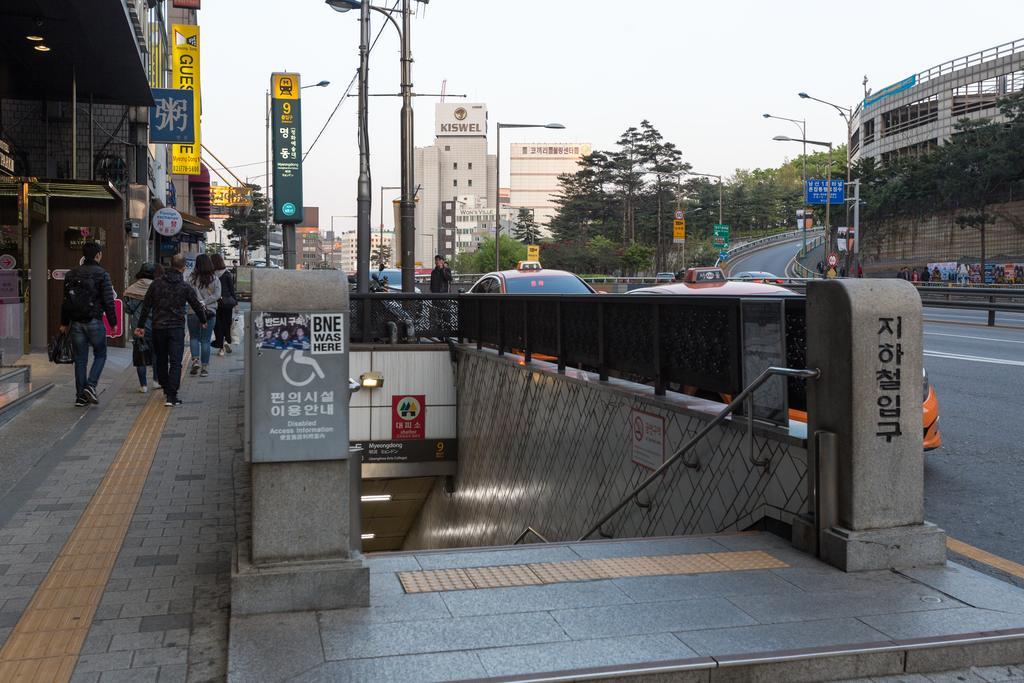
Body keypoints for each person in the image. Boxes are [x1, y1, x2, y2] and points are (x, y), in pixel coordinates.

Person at [135, 254, 208, 407]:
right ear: (183, 268)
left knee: (160, 359)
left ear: (170, 264)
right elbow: (195, 304)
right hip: (176, 328)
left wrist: (140, 326)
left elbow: (146, 306)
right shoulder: (184, 286)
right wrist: (203, 320)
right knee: (175, 362)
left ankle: (166, 388)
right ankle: (171, 395)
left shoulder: (156, 284)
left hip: (158, 327)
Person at [59, 242, 117, 407]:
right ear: (98, 255)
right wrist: (113, 322)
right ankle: (91, 386)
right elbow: (108, 300)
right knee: (100, 354)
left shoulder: (71, 274)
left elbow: (66, 300)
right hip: (94, 321)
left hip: (76, 322)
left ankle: (80, 397)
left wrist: (64, 322)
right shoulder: (102, 274)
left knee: (80, 359)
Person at [123, 263, 162, 393]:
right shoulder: (157, 287)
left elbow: (128, 309)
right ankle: (156, 381)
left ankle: (143, 385)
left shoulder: (132, 288)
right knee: (156, 354)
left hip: (138, 327)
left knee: (140, 355)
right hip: (156, 325)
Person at [187, 253, 221, 377]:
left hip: (193, 311)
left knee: (194, 337)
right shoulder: (214, 278)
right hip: (210, 312)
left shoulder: (191, 278)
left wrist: (198, 302)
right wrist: (205, 302)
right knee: (205, 340)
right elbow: (217, 295)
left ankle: (195, 360)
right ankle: (204, 368)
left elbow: (188, 293)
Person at [211, 254, 237, 356]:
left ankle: (221, 348)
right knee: (227, 323)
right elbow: (231, 289)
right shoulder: (227, 273)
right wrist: (236, 302)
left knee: (218, 326)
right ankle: (227, 341)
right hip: (227, 303)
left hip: (215, 302)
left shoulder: (211, 275)